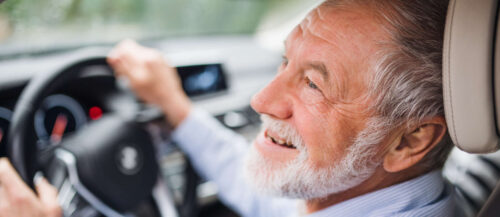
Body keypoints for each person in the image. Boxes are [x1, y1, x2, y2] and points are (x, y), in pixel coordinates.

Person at [0, 0, 456, 216]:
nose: (262, 99)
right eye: (284, 61)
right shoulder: (353, 195)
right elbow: (259, 195)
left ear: (409, 140)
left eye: (313, 85)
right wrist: (175, 108)